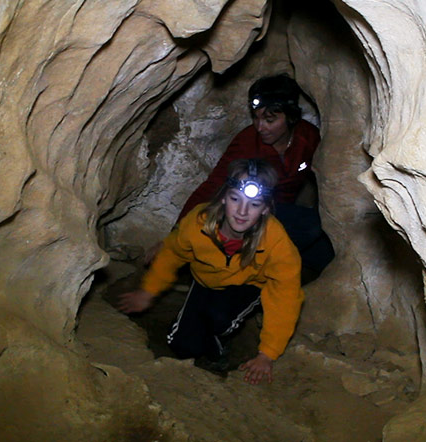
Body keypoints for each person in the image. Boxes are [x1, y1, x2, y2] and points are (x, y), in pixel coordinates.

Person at [119, 159, 303, 385]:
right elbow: (172, 254)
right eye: (236, 199)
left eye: (254, 204)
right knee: (181, 345)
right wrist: (148, 291)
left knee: (219, 318)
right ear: (224, 197)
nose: (242, 212)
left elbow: (285, 297)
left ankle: (220, 350)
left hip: (247, 286)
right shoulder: (199, 223)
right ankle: (207, 344)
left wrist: (267, 354)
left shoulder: (277, 244)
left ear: (265, 209)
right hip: (204, 282)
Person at [153, 74, 334, 276]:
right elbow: (213, 184)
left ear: (291, 117)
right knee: (309, 227)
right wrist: (175, 235)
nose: (260, 127)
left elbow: (330, 178)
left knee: (326, 247)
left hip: (282, 215)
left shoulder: (308, 138)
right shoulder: (248, 143)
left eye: (269, 119)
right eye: (256, 118)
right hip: (250, 216)